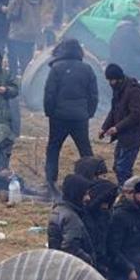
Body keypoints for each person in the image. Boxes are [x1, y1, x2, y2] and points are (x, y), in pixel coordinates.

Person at [43, 38, 99, 193]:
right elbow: (93, 95)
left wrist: (50, 112)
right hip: (80, 117)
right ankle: (92, 179)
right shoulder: (87, 69)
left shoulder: (56, 68)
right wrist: (89, 113)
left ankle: (50, 181)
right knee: (85, 149)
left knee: (53, 148)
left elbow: (49, 94)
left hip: (59, 117)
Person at [100, 64, 140, 185]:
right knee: (117, 167)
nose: (110, 83)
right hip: (124, 135)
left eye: (111, 80)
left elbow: (136, 115)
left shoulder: (133, 90)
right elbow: (114, 110)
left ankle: (128, 193)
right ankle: (127, 189)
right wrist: (104, 127)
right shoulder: (119, 89)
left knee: (123, 169)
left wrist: (117, 128)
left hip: (134, 136)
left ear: (118, 78)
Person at [47, 174, 96, 266]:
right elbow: (70, 248)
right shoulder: (70, 217)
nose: (88, 198)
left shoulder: (58, 210)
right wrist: (89, 261)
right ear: (76, 194)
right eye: (85, 194)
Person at [81, 178, 119, 277]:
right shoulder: (85, 219)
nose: (105, 207)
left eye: (109, 204)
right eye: (103, 203)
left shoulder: (108, 217)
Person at [6, 0, 42, 77]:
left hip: (17, 33)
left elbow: (12, 14)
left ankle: (13, 79)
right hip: (32, 33)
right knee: (26, 60)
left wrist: (7, 8)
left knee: (13, 57)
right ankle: (25, 79)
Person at [109, 17, 140, 84]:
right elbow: (139, 48)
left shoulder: (115, 33)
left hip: (117, 66)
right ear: (132, 23)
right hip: (129, 65)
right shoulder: (131, 30)